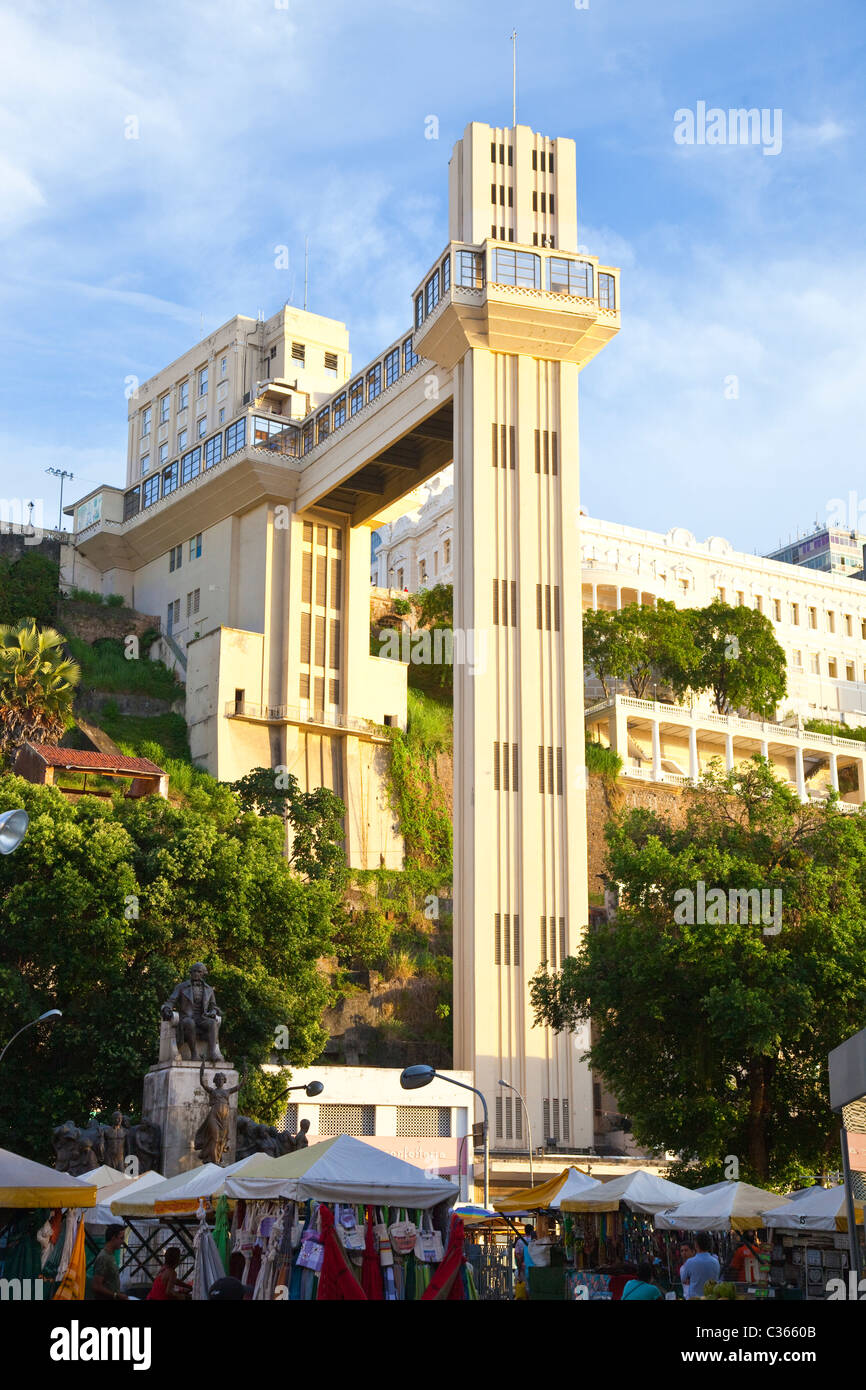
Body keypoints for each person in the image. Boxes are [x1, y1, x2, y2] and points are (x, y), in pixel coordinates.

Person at [90, 1224, 129, 1302]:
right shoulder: (104, 1257)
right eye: (121, 1238)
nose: (122, 1241)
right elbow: (96, 1286)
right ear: (113, 1238)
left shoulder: (110, 1255)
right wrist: (116, 1295)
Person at [679, 1232, 721, 1299]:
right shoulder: (715, 1262)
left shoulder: (690, 1262)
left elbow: (684, 1280)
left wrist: (693, 1279)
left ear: (696, 1245)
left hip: (695, 1297)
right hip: (711, 1297)